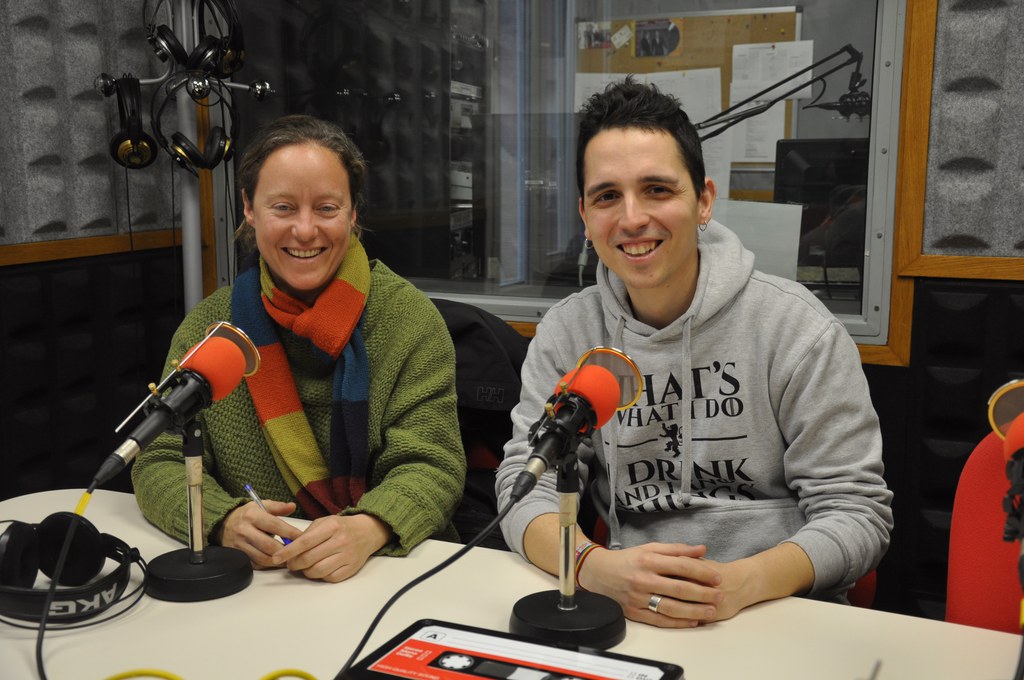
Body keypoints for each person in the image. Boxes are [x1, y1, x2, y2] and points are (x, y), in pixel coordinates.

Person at [495, 78, 893, 627]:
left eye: (657, 189)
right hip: (630, 608)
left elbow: (857, 513)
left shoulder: (797, 328)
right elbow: (526, 485)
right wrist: (592, 567)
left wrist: (739, 585)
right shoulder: (569, 332)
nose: (632, 218)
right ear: (585, 216)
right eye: (607, 196)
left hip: (778, 609)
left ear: (703, 201)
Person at [132, 114, 466, 583]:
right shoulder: (210, 330)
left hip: (388, 572)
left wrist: (371, 526)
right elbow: (159, 457)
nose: (305, 230)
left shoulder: (409, 321)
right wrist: (221, 519)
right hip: (260, 584)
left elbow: (433, 464)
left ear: (353, 213)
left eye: (326, 208)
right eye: (283, 207)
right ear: (249, 208)